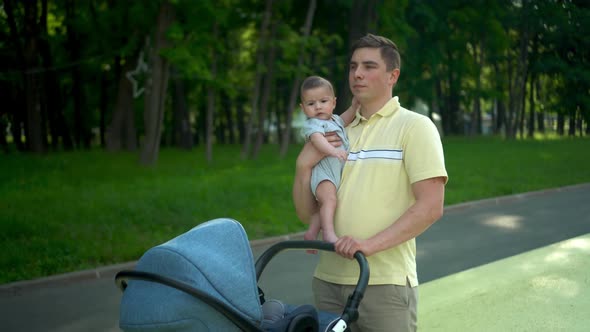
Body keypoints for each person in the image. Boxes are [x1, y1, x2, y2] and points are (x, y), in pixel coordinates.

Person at [292, 34, 448, 332]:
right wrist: (302, 167)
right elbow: (305, 213)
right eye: (353, 67)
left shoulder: (415, 127)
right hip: (327, 282)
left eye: (369, 66)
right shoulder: (335, 129)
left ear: (393, 75)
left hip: (383, 285)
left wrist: (367, 246)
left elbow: (431, 207)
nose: (357, 74)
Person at [299, 75, 358, 243]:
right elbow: (317, 139)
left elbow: (346, 118)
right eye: (311, 104)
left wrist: (354, 107)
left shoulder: (335, 120)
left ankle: (311, 234)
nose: (318, 107)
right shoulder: (314, 124)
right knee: (330, 200)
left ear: (333, 103)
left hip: (334, 173)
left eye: (323, 101)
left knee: (324, 205)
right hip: (323, 174)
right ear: (303, 108)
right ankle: (328, 233)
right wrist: (332, 150)